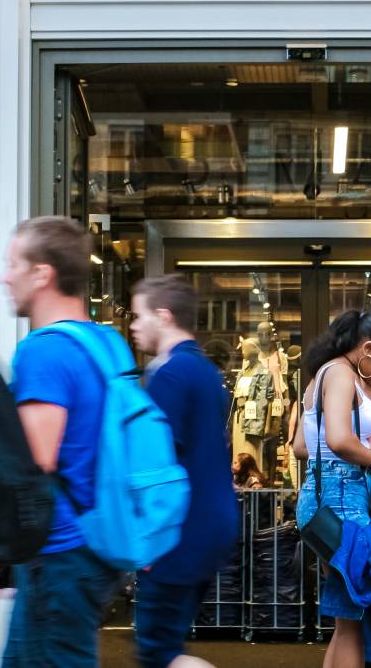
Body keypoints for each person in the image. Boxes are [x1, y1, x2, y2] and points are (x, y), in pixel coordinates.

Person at [0, 215, 123, 666]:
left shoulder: (44, 349)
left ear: (42, 273)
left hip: (59, 554)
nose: (3, 275)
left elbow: (31, 462)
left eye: (13, 264)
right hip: (92, 545)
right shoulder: (106, 343)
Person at [290, 309, 371, 668]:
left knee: (346, 620)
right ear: (368, 348)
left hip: (325, 500)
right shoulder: (341, 375)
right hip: (343, 501)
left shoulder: (322, 376)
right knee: (354, 622)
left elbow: (303, 446)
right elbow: (337, 439)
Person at [127, 275, 239, 668]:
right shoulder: (205, 372)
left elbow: (155, 464)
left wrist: (143, 539)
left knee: (158, 651)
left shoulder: (169, 374)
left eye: (139, 315)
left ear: (164, 315)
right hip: (212, 523)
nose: (133, 325)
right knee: (167, 642)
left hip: (178, 530)